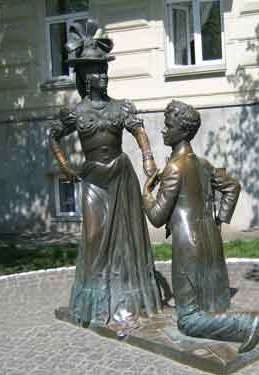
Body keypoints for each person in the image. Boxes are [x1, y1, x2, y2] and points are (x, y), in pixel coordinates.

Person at [49, 20, 161, 327]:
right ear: (85, 77)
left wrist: (148, 159)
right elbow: (52, 136)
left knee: (127, 239)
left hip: (121, 176)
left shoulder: (121, 107)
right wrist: (63, 164)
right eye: (96, 71)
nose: (103, 76)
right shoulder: (76, 112)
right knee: (95, 235)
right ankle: (96, 303)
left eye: (104, 69)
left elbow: (138, 131)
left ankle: (127, 298)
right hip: (93, 180)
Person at [142, 100, 259, 353]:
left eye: (168, 126)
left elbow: (156, 217)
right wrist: (219, 219)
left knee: (188, 320)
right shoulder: (203, 164)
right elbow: (233, 187)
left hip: (188, 246)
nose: (164, 131)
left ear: (183, 131)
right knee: (212, 305)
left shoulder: (174, 168)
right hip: (210, 240)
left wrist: (145, 191)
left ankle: (246, 323)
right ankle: (237, 322)